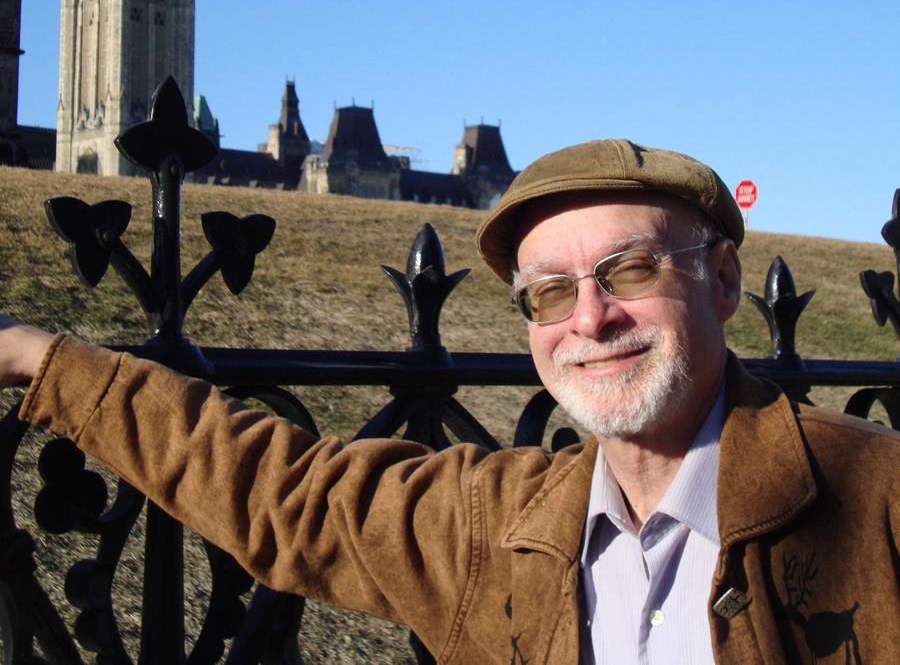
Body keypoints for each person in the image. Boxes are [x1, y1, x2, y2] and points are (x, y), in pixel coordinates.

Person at [1, 139, 897, 664]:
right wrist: (37, 357)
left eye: (630, 268)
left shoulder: (879, 503)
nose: (590, 316)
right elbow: (281, 492)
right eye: (550, 291)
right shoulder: (496, 526)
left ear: (726, 279)